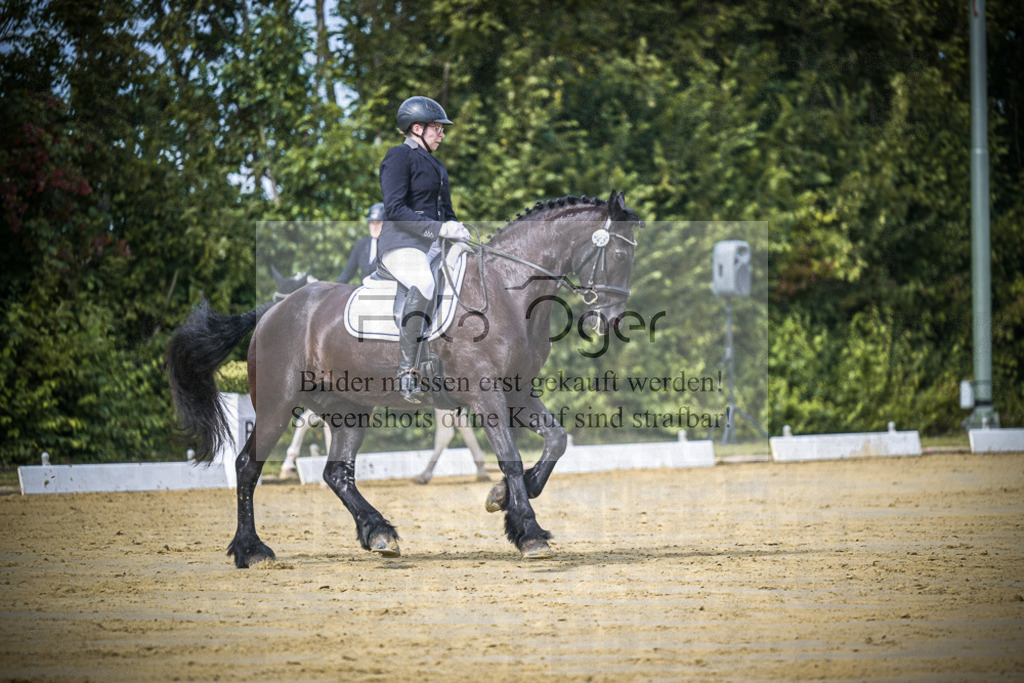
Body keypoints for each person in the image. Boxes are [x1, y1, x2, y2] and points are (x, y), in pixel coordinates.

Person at [378, 95, 471, 404]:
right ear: (416, 128)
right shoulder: (398, 156)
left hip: (433, 245)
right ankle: (407, 371)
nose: (442, 134)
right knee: (426, 282)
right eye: (437, 129)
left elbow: (446, 211)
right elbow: (394, 208)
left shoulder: (437, 165)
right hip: (402, 244)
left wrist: (458, 229)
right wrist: (437, 229)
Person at [336, 202, 384, 284]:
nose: (374, 227)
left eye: (378, 223)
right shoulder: (361, 244)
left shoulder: (392, 246)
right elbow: (348, 272)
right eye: (372, 223)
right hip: (365, 292)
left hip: (385, 293)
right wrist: (335, 289)